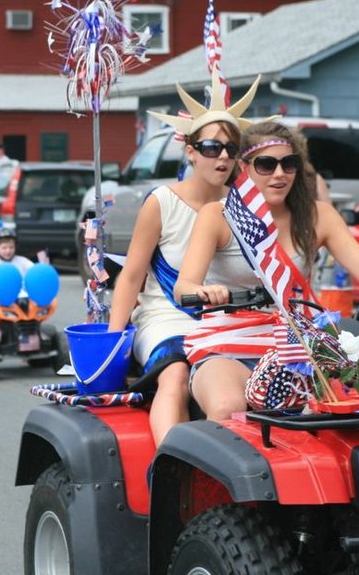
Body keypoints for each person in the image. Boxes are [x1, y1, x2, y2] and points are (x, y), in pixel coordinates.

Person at [174, 121, 359, 421]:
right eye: (266, 164)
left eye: (289, 163)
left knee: (344, 405)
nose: (279, 174)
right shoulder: (218, 215)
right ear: (243, 168)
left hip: (295, 344)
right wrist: (205, 291)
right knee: (226, 407)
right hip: (228, 343)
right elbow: (184, 287)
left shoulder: (318, 216)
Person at [108, 71, 259, 445]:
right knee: (175, 371)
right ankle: (169, 464)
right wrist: (113, 346)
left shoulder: (247, 206)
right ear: (190, 151)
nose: (222, 156)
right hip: (167, 316)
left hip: (231, 320)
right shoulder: (162, 202)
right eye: (211, 147)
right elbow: (131, 277)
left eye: (231, 149)